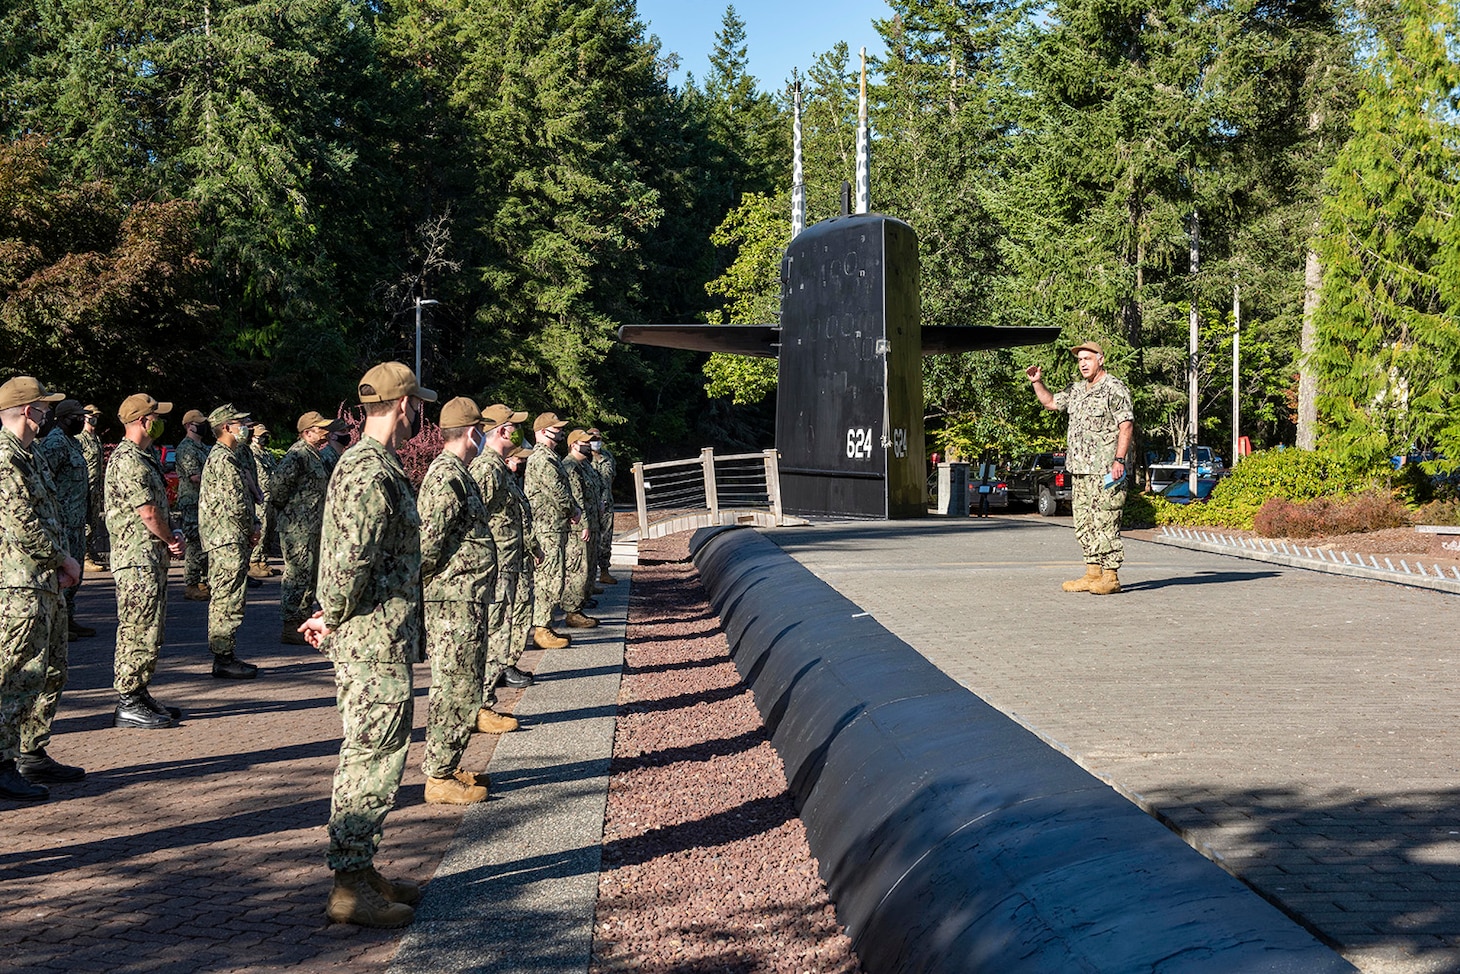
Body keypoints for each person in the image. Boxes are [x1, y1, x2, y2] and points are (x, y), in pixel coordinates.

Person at [299, 361, 433, 928]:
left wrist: (332, 609)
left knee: (377, 751)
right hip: (371, 640)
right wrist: (331, 611)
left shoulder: (373, 466)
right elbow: (348, 561)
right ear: (404, 406)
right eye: (417, 407)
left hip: (379, 634)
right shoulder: (369, 471)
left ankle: (361, 868)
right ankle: (350, 883)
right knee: (371, 757)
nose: (419, 417)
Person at [419, 397, 510, 807]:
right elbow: (427, 546)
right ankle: (438, 776)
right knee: (453, 687)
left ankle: (449, 764)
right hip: (451, 601)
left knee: (464, 685)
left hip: (466, 598)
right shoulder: (446, 477)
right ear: (473, 433)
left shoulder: (459, 473)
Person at [0, 376, 85, 800]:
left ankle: (31, 751)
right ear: (29, 411)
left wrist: (61, 564)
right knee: (18, 673)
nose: (50, 414)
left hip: (43, 582)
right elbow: (24, 523)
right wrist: (62, 560)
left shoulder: (28, 455)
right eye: (45, 407)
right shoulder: (5, 458)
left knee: (50, 670)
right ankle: (2, 762)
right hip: (20, 585)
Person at [1026, 341, 1134, 594]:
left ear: (1101, 360)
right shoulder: (1077, 390)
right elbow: (1051, 402)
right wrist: (1036, 382)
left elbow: (1125, 425)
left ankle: (1110, 576)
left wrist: (1119, 460)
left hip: (1106, 470)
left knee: (1106, 520)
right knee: (1085, 523)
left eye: (1088, 358)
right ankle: (1092, 572)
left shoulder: (1114, 388)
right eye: (1080, 360)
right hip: (1081, 469)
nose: (1083, 363)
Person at [106, 392, 186, 729]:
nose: (160, 424)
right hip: (137, 557)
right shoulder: (129, 460)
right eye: (157, 417)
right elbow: (149, 513)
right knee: (137, 629)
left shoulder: (144, 456)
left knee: (150, 629)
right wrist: (171, 539)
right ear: (143, 421)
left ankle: (139, 693)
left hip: (148, 557)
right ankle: (128, 701)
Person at [469, 405, 540, 710]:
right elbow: (472, 520)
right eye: (515, 427)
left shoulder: (499, 468)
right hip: (494, 564)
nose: (518, 433)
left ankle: (490, 688)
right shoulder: (486, 469)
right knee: (493, 629)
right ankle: (481, 703)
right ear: (501, 431)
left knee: (502, 627)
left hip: (509, 561)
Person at [199, 405, 261, 679]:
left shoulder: (229, 457)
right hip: (227, 538)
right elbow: (235, 503)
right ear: (226, 427)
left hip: (229, 536)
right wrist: (252, 527)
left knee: (229, 596)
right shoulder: (223, 459)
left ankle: (225, 654)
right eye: (240, 422)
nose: (245, 426)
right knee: (227, 598)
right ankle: (223, 657)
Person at [269, 411, 343, 644]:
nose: (326, 433)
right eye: (321, 429)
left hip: (312, 525)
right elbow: (278, 489)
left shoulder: (315, 455)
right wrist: (292, 512)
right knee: (297, 575)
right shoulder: (298, 454)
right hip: (297, 528)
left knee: (310, 575)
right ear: (307, 432)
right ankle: (291, 624)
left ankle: (302, 621)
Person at [526, 412, 591, 640]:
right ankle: (542, 629)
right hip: (547, 528)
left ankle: (546, 625)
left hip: (554, 526)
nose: (562, 432)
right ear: (543, 432)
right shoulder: (543, 458)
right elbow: (558, 491)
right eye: (557, 428)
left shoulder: (550, 456)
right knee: (549, 578)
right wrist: (574, 511)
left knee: (555, 576)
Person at [34, 399, 94, 637]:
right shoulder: (55, 443)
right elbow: (45, 481)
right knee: (62, 575)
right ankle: (58, 622)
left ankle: (68, 617)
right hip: (62, 520)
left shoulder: (73, 443)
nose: (81, 421)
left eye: (82, 417)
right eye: (76, 417)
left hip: (76, 520)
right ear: (63, 418)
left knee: (75, 574)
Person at [562, 429, 603, 619]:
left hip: (593, 521)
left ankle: (582, 600)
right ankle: (572, 610)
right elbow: (576, 498)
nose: (589, 445)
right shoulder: (570, 466)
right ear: (573, 444)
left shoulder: (584, 465)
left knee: (589, 564)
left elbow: (594, 490)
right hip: (580, 525)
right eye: (584, 442)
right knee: (578, 567)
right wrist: (584, 523)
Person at [175, 409, 212, 601]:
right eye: (199, 422)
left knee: (205, 541)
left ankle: (202, 580)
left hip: (205, 502)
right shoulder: (186, 448)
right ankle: (191, 583)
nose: (203, 426)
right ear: (189, 425)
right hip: (192, 501)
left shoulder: (204, 448)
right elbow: (195, 476)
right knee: (194, 542)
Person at [78, 404, 108, 571]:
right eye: (92, 415)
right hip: (83, 486)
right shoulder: (80, 438)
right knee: (85, 523)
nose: (95, 418)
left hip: (95, 487)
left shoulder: (95, 438)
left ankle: (88, 552)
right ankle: (84, 556)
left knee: (94, 521)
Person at [248, 424, 280, 579]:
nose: (264, 438)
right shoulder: (252, 454)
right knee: (261, 528)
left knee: (269, 530)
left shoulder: (267, 454)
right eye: (261, 435)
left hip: (271, 497)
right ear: (253, 437)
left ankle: (262, 560)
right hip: (260, 496)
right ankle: (254, 562)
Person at [587, 429, 617, 585]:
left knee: (606, 539)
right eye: (592, 438)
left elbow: (612, 477)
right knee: (591, 541)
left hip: (607, 504)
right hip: (590, 506)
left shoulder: (608, 456)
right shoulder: (584, 457)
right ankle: (589, 580)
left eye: (597, 438)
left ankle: (604, 572)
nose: (595, 441)